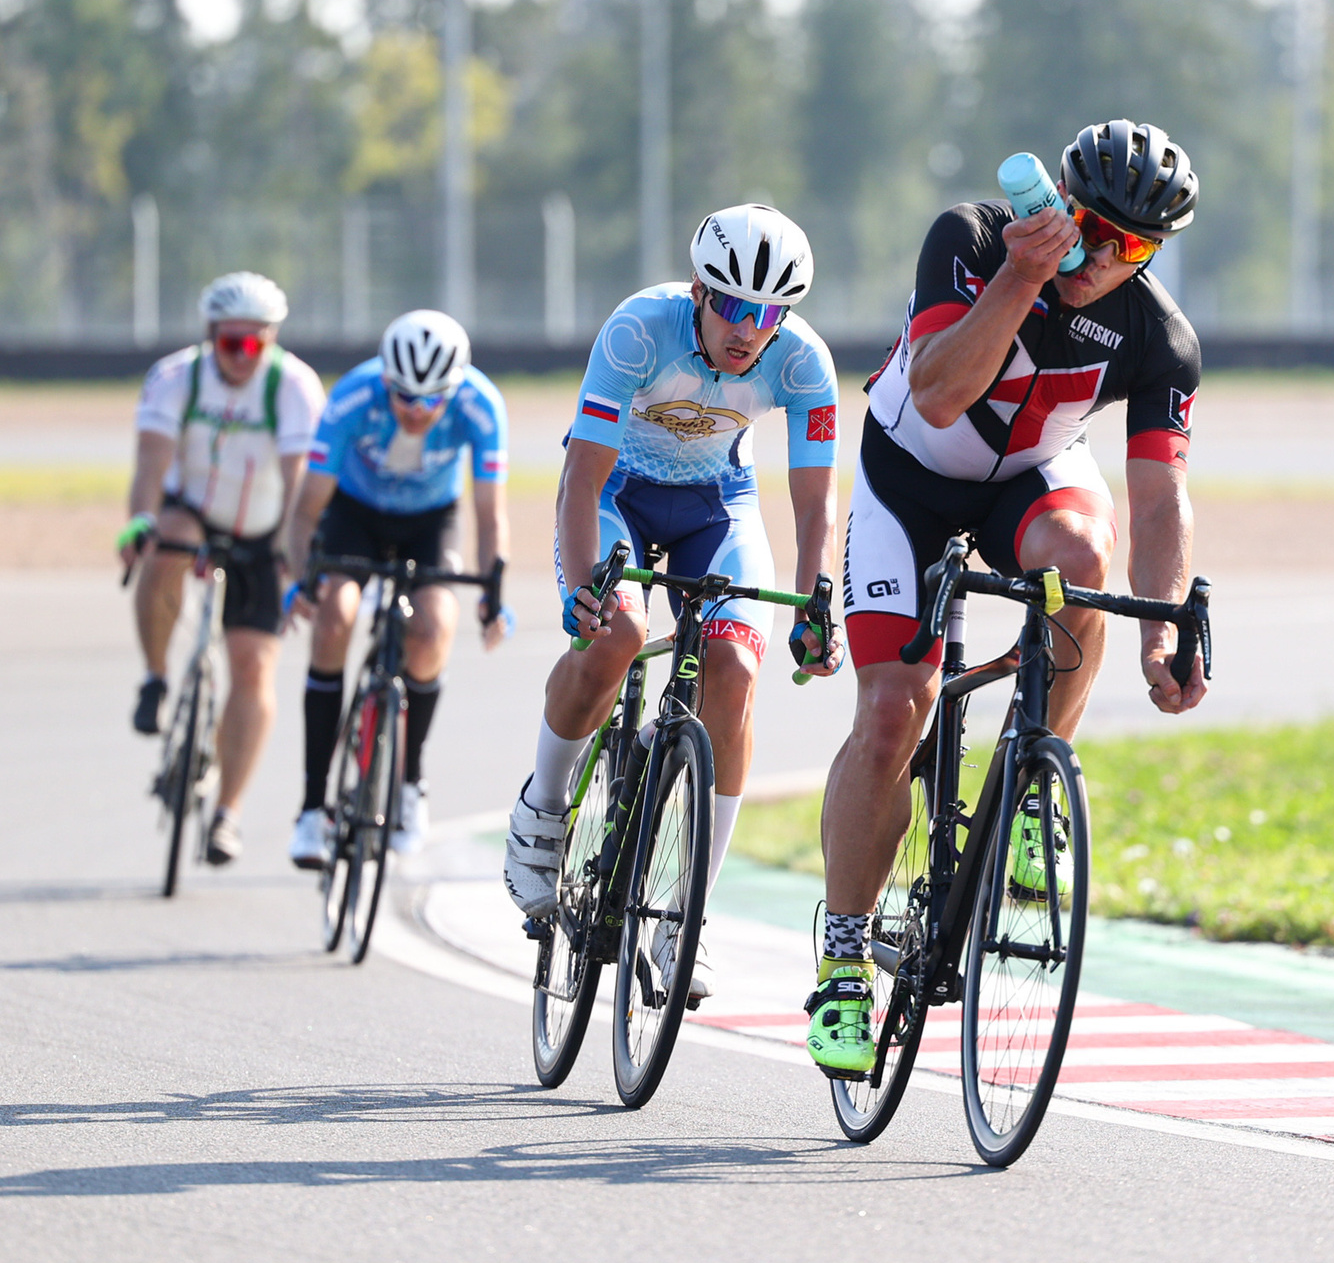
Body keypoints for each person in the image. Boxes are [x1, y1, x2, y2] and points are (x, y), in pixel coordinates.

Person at [806, 119, 1209, 1077]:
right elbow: (941, 396)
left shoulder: (1161, 339)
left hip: (1027, 480)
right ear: (1055, 203)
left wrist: (1163, 634)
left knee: (1086, 559)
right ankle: (845, 959)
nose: (1102, 254)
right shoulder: (972, 239)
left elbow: (1158, 496)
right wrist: (1021, 277)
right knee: (895, 707)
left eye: (1133, 246)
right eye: (1089, 224)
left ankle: (1036, 777)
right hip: (908, 475)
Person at [504, 204, 845, 1001]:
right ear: (697, 289)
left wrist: (816, 600)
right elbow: (584, 476)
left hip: (715, 504)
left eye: (766, 313)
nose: (746, 327)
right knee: (617, 632)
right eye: (730, 304)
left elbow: (815, 505)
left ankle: (687, 913)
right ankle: (543, 811)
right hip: (618, 491)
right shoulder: (637, 330)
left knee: (732, 671)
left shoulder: (803, 363)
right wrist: (587, 584)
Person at [284, 310, 510, 867]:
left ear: (452, 392)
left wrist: (492, 591)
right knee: (335, 614)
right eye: (403, 396)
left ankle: (410, 785)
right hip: (355, 514)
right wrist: (301, 578)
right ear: (386, 381)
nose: (416, 410)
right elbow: (306, 509)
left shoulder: (481, 407)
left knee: (434, 627)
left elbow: (489, 513)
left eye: (431, 400)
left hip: (430, 520)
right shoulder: (352, 398)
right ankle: (313, 809)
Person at [118, 272, 327, 866]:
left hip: (265, 529)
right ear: (210, 336)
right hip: (193, 515)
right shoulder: (174, 379)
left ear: (271, 340)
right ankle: (156, 678)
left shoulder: (293, 387)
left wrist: (295, 563)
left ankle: (227, 814)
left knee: (254, 666)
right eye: (229, 344)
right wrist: (140, 521)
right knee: (167, 543)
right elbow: (150, 467)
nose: (240, 357)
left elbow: (298, 486)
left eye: (253, 344)